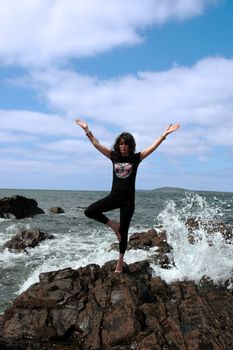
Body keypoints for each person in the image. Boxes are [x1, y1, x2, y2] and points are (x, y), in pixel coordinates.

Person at [75, 119, 180, 273]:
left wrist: (164, 134)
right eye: (121, 143)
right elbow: (96, 144)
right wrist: (87, 130)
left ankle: (120, 264)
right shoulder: (113, 157)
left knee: (124, 234)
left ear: (130, 146)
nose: (123, 146)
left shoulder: (136, 159)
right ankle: (113, 225)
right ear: (118, 145)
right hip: (114, 197)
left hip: (128, 202)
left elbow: (152, 147)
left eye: (126, 144)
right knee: (89, 211)